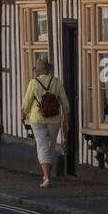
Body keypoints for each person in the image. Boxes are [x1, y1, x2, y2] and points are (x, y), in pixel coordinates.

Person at [21, 54, 70, 188]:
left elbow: (26, 104)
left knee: (42, 146)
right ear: (49, 69)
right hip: (54, 119)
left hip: (37, 119)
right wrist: (66, 120)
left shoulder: (33, 83)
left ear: (37, 70)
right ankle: (47, 175)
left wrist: (23, 115)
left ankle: (47, 178)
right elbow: (65, 102)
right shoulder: (56, 82)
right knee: (51, 146)